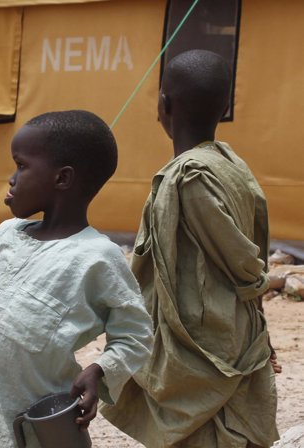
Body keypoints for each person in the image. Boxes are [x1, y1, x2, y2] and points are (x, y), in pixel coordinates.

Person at [0, 110, 154, 447]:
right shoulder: (7, 235)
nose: (12, 178)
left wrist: (100, 370)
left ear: (62, 179)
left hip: (39, 424)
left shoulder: (98, 257)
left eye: (21, 166)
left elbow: (136, 333)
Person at [100, 49, 280, 447]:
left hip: (206, 339)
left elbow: (242, 261)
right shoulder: (231, 163)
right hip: (230, 327)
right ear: (225, 106)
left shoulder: (189, 178)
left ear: (163, 104)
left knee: (205, 429)